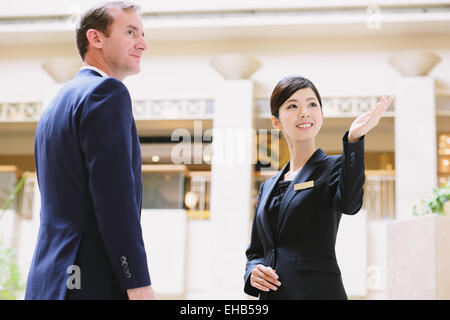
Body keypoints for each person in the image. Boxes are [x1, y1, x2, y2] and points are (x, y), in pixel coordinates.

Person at [25, 1, 156, 300]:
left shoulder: (57, 103)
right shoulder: (107, 93)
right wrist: (137, 282)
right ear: (96, 38)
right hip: (89, 278)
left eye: (143, 34)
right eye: (131, 32)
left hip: (49, 279)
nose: (143, 44)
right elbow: (114, 198)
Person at [244, 75, 393, 299]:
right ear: (276, 121)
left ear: (321, 114)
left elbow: (350, 204)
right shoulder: (267, 187)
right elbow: (256, 251)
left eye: (312, 104)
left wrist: (353, 140)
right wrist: (252, 272)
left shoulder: (333, 167)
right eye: (292, 106)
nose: (304, 112)